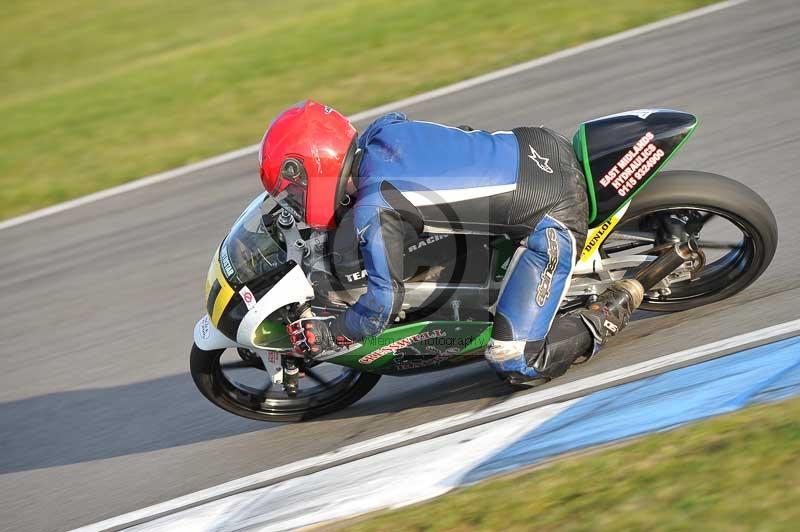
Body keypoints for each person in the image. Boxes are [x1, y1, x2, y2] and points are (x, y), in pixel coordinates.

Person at [259, 100, 642, 384]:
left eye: (293, 190)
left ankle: (608, 311)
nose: (294, 199)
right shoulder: (382, 130)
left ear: (316, 168)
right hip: (537, 146)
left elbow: (382, 305)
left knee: (514, 362)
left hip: (552, 216)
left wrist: (332, 331)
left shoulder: (375, 212)